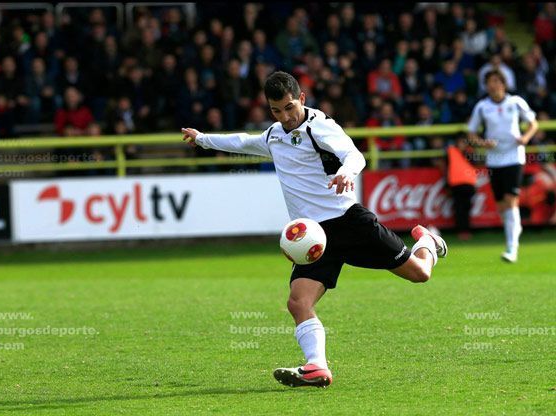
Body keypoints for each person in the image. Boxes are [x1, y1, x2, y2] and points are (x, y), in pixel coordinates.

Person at [181, 71, 448, 388]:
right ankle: (316, 366)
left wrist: (347, 173)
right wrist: (202, 139)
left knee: (420, 273)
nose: (285, 116)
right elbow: (244, 141)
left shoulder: (319, 126)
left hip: (348, 221)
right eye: (276, 110)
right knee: (298, 302)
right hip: (314, 238)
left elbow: (354, 154)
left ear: (302, 99)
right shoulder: (274, 136)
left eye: (289, 107)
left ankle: (428, 241)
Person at [467, 69, 539, 262]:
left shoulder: (515, 102)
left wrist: (525, 137)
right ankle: (514, 229)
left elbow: (533, 123)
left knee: (510, 200)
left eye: (497, 81)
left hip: (514, 157)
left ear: (504, 84)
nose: (494, 85)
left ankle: (512, 248)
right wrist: (483, 143)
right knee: (501, 205)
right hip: (494, 159)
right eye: (490, 81)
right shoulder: (482, 107)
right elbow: (471, 133)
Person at [447, 137, 477, 240]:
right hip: (456, 184)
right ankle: (461, 231)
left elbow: (476, 162)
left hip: (469, 184)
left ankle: (466, 230)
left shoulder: (470, 152)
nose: (462, 144)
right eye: (460, 142)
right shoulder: (451, 151)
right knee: (459, 209)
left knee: (466, 208)